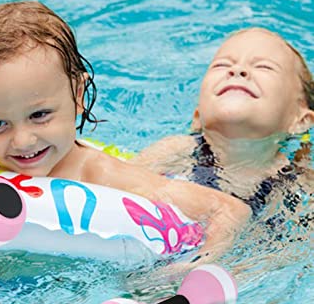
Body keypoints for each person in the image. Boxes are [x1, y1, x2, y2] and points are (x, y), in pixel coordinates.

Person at [0, 1, 250, 265]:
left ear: (77, 95)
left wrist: (192, 268)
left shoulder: (95, 171)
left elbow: (228, 209)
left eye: (39, 115)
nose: (22, 141)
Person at [132, 28, 313, 221]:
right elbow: (120, 184)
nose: (237, 70)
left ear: (301, 121)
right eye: (221, 65)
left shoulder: (299, 182)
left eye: (264, 67)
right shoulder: (177, 150)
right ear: (198, 116)